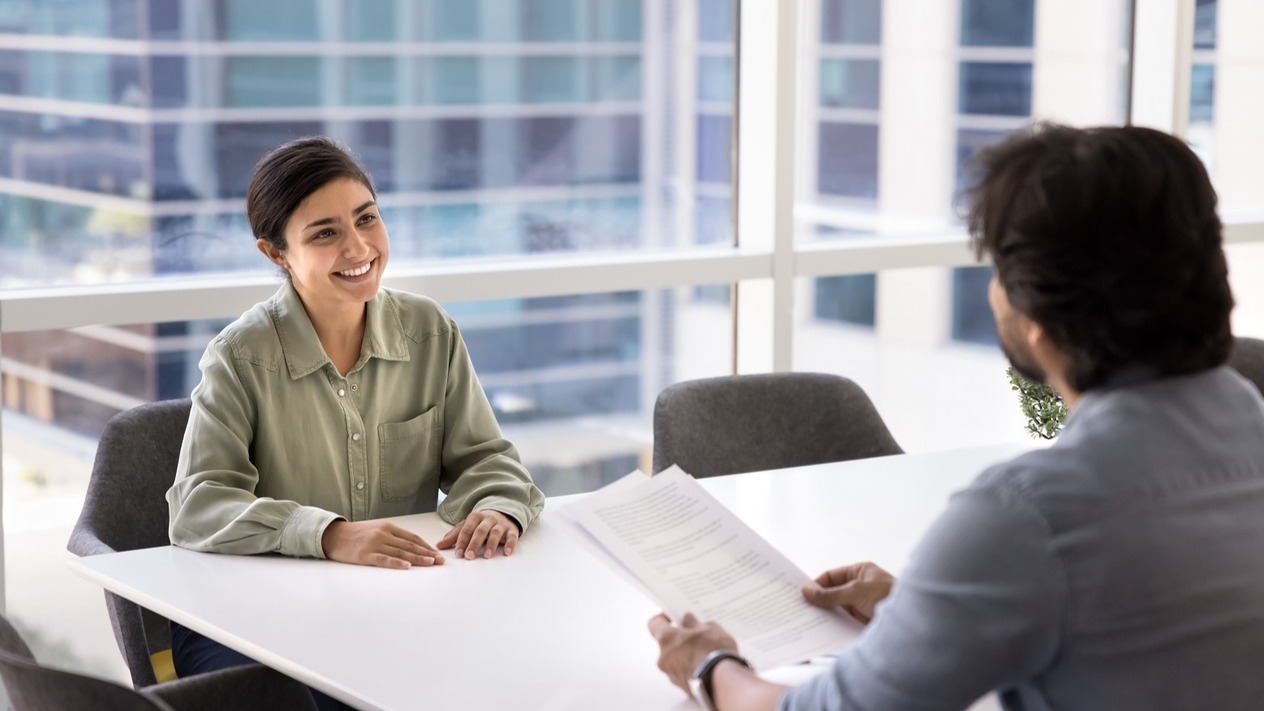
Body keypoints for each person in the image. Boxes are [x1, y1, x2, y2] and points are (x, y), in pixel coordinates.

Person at [648, 123, 1264, 710]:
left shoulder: (1030, 514)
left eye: (998, 269)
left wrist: (709, 665)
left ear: (1039, 324)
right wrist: (935, 612)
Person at [167, 137, 544, 707]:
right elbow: (197, 505)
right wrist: (329, 534)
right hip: (251, 617)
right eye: (325, 233)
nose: (359, 247)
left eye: (367, 218)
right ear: (276, 254)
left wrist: (496, 506)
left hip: (392, 603)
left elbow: (486, 459)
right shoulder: (240, 356)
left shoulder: (429, 331)